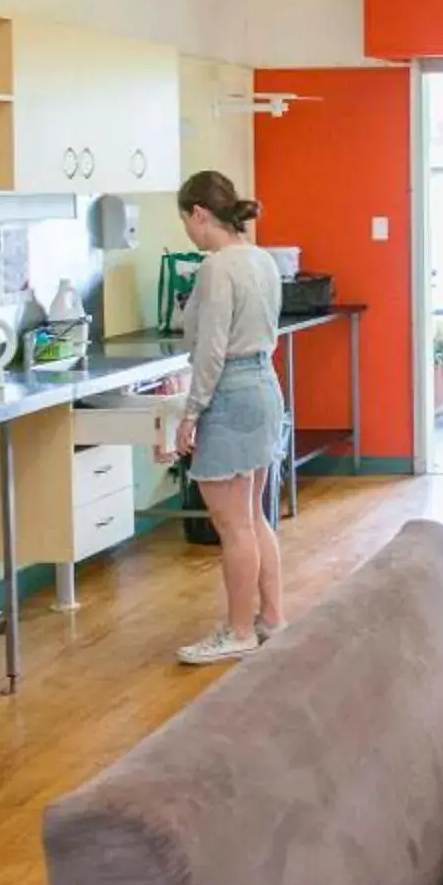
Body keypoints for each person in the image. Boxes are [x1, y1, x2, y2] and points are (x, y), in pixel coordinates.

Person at [168, 170, 287, 665]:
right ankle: (271, 619)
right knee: (252, 514)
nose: (188, 234)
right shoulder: (262, 260)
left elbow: (211, 351)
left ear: (200, 214)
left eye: (186, 222)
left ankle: (238, 631)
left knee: (231, 523)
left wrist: (190, 413)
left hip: (231, 394)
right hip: (264, 385)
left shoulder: (218, 268)